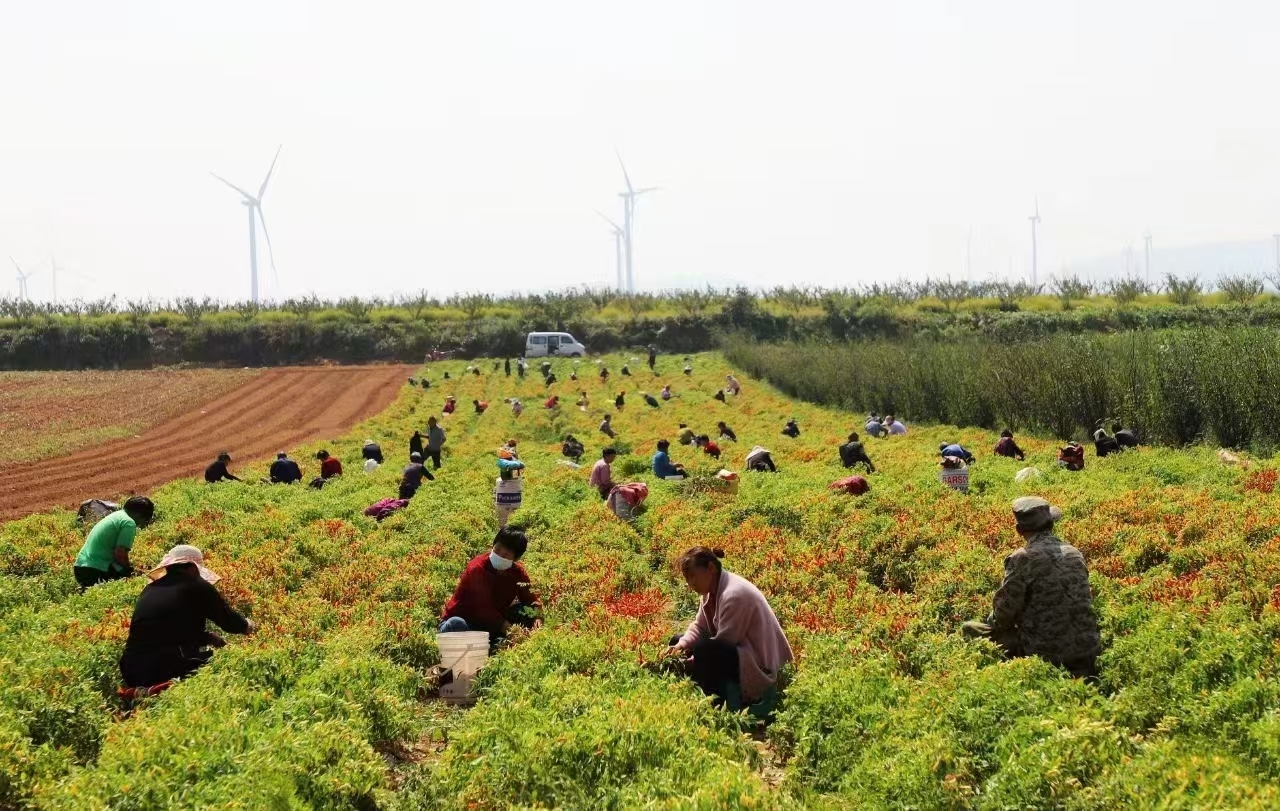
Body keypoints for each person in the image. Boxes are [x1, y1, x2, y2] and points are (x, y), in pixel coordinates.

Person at [962, 497, 1101, 680]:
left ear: (1019, 531)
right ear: (1052, 524)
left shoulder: (1022, 559)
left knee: (970, 628)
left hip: (1046, 654)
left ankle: (1006, 677)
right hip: (1088, 650)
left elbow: (1003, 617)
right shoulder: (1075, 553)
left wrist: (990, 619)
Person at [664, 547, 793, 713]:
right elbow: (700, 626)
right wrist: (680, 647)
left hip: (758, 662)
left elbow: (725, 641)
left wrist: (692, 662)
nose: (691, 584)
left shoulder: (734, 594)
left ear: (710, 568)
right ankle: (703, 693)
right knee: (678, 640)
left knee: (704, 650)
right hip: (738, 651)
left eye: (693, 577)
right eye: (688, 579)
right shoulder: (710, 591)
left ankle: (720, 705)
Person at [119, 545, 255, 689]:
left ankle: (144, 689)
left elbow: (166, 631)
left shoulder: (150, 588)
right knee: (229, 661)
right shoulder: (195, 585)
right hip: (164, 667)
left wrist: (206, 637)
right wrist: (247, 626)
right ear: (192, 568)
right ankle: (162, 685)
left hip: (130, 670)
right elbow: (229, 622)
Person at [439, 527, 542, 642]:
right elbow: (484, 610)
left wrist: (537, 617)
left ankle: (492, 642)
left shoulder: (516, 573)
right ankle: (490, 642)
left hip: (491, 625)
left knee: (523, 611)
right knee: (456, 624)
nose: (499, 556)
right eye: (497, 550)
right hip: (468, 622)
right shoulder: (477, 568)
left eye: (506, 554)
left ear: (515, 558)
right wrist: (512, 631)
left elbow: (531, 599)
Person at [73, 496, 154, 590]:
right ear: (141, 516)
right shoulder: (128, 523)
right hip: (94, 570)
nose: (144, 525)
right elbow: (119, 554)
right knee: (133, 583)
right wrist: (130, 571)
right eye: (146, 521)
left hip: (81, 567)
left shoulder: (118, 515)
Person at [495, 449, 525, 527]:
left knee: (503, 521)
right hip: (514, 504)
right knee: (513, 520)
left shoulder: (499, 481)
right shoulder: (517, 478)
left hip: (503, 505)